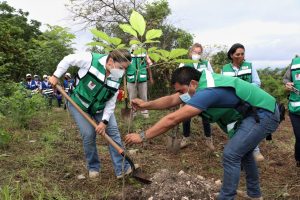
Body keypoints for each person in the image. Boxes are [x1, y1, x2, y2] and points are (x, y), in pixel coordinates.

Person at [125, 67, 280, 200]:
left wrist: (142, 136)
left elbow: (172, 119)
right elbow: (173, 99)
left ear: (192, 83)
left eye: (181, 90)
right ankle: (255, 194)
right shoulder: (199, 85)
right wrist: (146, 105)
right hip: (253, 114)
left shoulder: (208, 91)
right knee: (243, 154)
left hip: (264, 113)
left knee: (231, 154)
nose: (180, 94)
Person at [48, 49, 133, 179]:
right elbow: (68, 59)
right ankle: (93, 167)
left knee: (113, 132)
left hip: (100, 108)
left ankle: (122, 168)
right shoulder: (90, 60)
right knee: (88, 134)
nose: (123, 72)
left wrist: (104, 122)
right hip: (79, 105)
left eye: (125, 69)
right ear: (111, 61)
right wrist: (56, 75)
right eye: (121, 67)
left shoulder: (117, 74)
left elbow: (111, 101)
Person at [221, 43, 264, 162]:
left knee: (250, 125)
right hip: (232, 104)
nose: (240, 56)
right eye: (237, 54)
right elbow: (222, 85)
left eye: (242, 54)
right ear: (231, 55)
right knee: (234, 126)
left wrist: (242, 88)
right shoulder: (225, 69)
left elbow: (257, 83)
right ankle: (238, 152)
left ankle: (255, 150)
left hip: (248, 102)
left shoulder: (250, 66)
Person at [178, 43, 214, 149]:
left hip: (203, 93)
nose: (197, 54)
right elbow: (178, 79)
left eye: (199, 53)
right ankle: (186, 137)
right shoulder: (184, 63)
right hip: (188, 94)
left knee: (206, 116)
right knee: (186, 116)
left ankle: (208, 139)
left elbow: (211, 77)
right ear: (190, 52)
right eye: (195, 52)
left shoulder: (206, 63)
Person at [126, 44, 154, 118]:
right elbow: (124, 66)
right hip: (130, 79)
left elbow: (148, 66)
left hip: (142, 78)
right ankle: (133, 112)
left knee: (143, 96)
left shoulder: (144, 53)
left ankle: (144, 112)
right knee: (132, 97)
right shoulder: (127, 53)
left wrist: (151, 77)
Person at [283, 55, 300, 167]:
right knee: (299, 135)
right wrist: (287, 84)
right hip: (295, 108)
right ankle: (299, 158)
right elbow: (285, 79)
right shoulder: (295, 63)